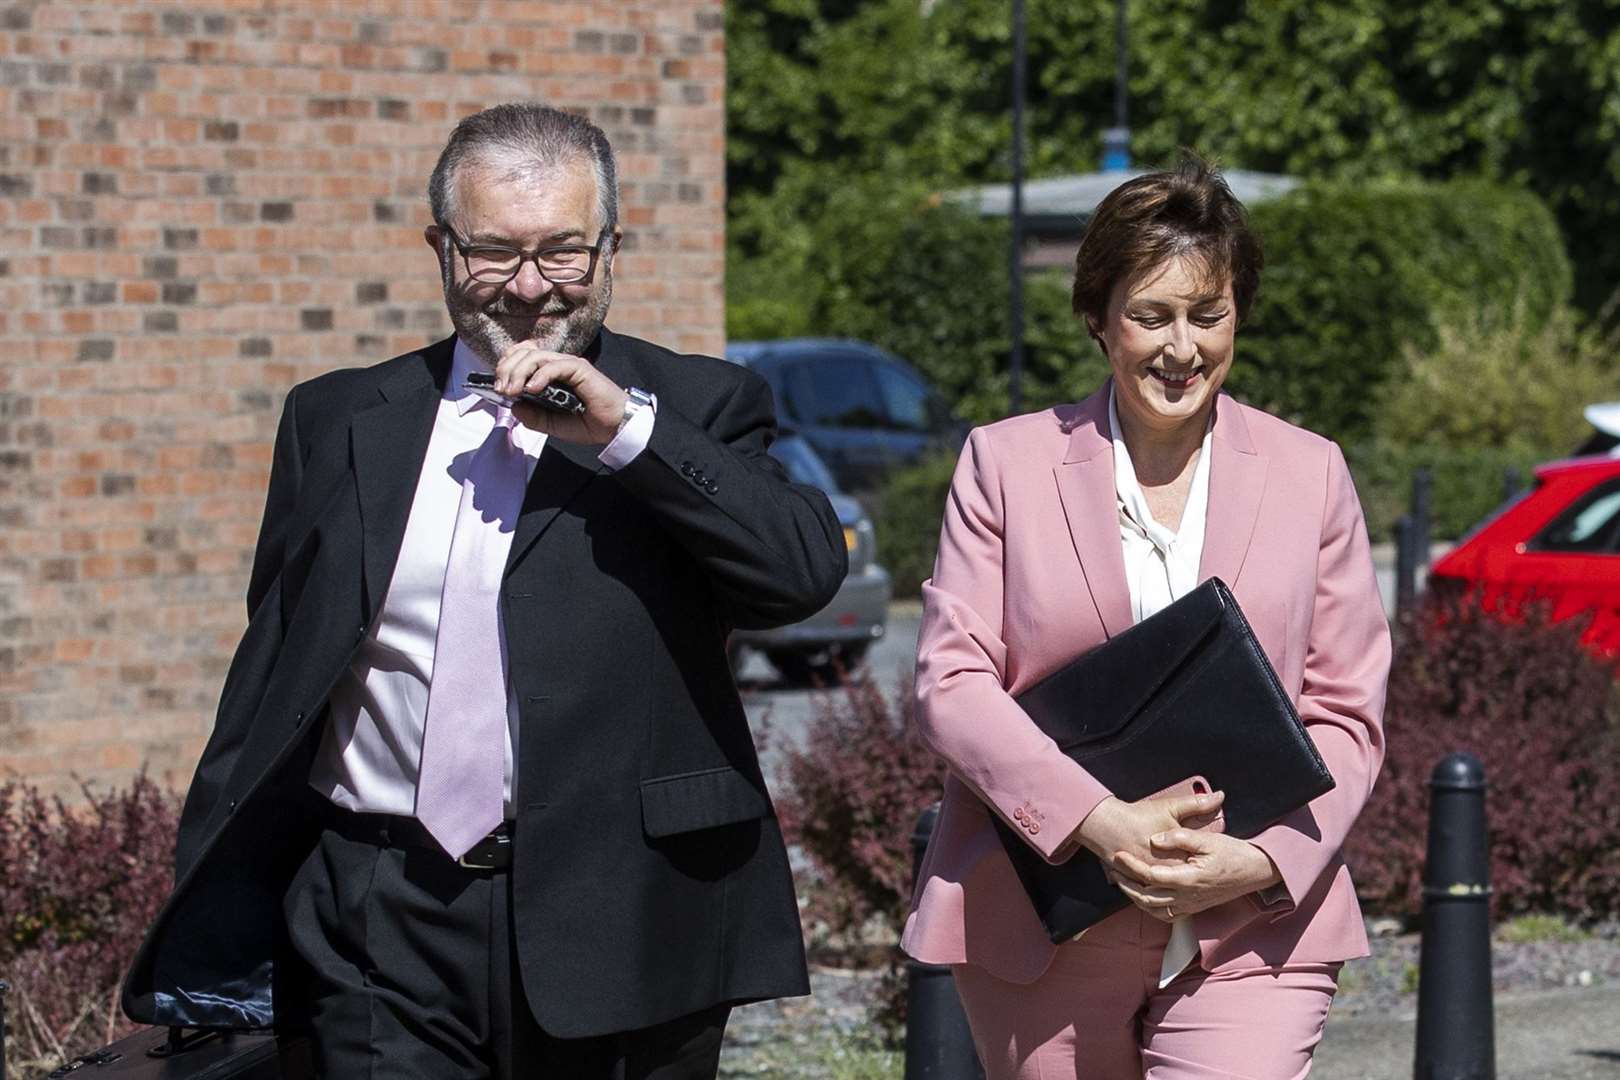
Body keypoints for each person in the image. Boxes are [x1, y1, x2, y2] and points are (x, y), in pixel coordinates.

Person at [121, 102, 847, 1077]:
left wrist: (628, 435)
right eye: (493, 252)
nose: (530, 286)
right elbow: (277, 662)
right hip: (379, 911)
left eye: (564, 252)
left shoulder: (701, 406)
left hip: (625, 909)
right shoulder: (338, 419)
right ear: (440, 247)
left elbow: (799, 573)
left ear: (612, 246)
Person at [901, 157, 1390, 1078]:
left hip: (1255, 926)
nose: (1183, 347)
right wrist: (1101, 822)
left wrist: (1260, 861)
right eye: (1151, 315)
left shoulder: (1311, 472)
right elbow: (953, 682)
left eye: (1208, 315)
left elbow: (1347, 710)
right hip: (1041, 916)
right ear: (1098, 319)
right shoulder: (1003, 465)